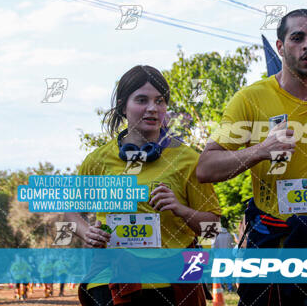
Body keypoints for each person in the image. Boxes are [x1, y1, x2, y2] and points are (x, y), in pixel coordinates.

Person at [196, 9, 307, 306]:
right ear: (280, 46)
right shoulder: (250, 99)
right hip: (271, 253)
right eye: (297, 38)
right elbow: (205, 168)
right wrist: (260, 150)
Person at [64, 65, 221, 306]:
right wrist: (87, 232)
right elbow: (69, 213)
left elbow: (212, 228)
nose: (152, 108)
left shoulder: (188, 159)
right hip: (112, 281)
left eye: (160, 101)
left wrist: (180, 208)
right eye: (141, 100)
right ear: (122, 106)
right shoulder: (97, 161)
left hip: (173, 283)